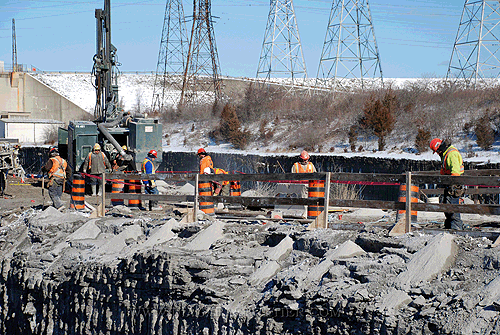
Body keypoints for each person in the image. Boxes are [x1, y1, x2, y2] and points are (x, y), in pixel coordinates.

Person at [430, 138, 465, 230]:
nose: (437, 153)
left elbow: (455, 172)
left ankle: (456, 227)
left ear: (440, 148)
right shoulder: (445, 154)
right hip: (449, 182)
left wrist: (452, 184)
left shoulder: (451, 154)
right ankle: (450, 226)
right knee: (446, 204)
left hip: (454, 183)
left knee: (453, 206)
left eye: (437, 151)